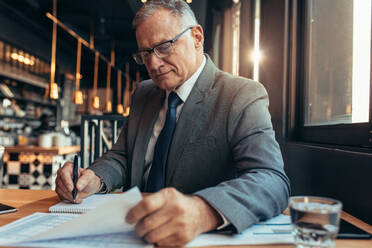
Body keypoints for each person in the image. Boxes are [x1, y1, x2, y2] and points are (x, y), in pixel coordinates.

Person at [55, 0, 290, 246]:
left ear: (197, 37)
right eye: (145, 54)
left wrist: (203, 211)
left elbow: (271, 179)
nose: (153, 64)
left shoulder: (240, 94)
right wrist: (94, 178)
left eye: (164, 47)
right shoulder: (144, 93)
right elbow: (122, 156)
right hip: (132, 232)